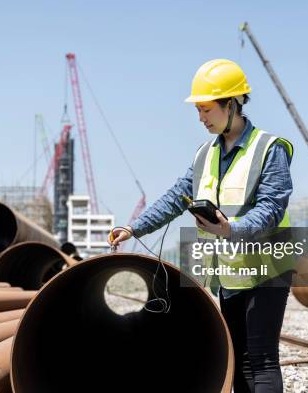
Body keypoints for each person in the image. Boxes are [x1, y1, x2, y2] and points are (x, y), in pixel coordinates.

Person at [108, 59, 295, 393]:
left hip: (268, 268)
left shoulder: (269, 149)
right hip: (229, 272)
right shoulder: (204, 155)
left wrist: (230, 229)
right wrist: (134, 228)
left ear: (232, 104)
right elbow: (175, 197)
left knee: (262, 360)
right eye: (198, 110)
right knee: (237, 357)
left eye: (207, 109)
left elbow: (271, 207)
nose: (201, 118)